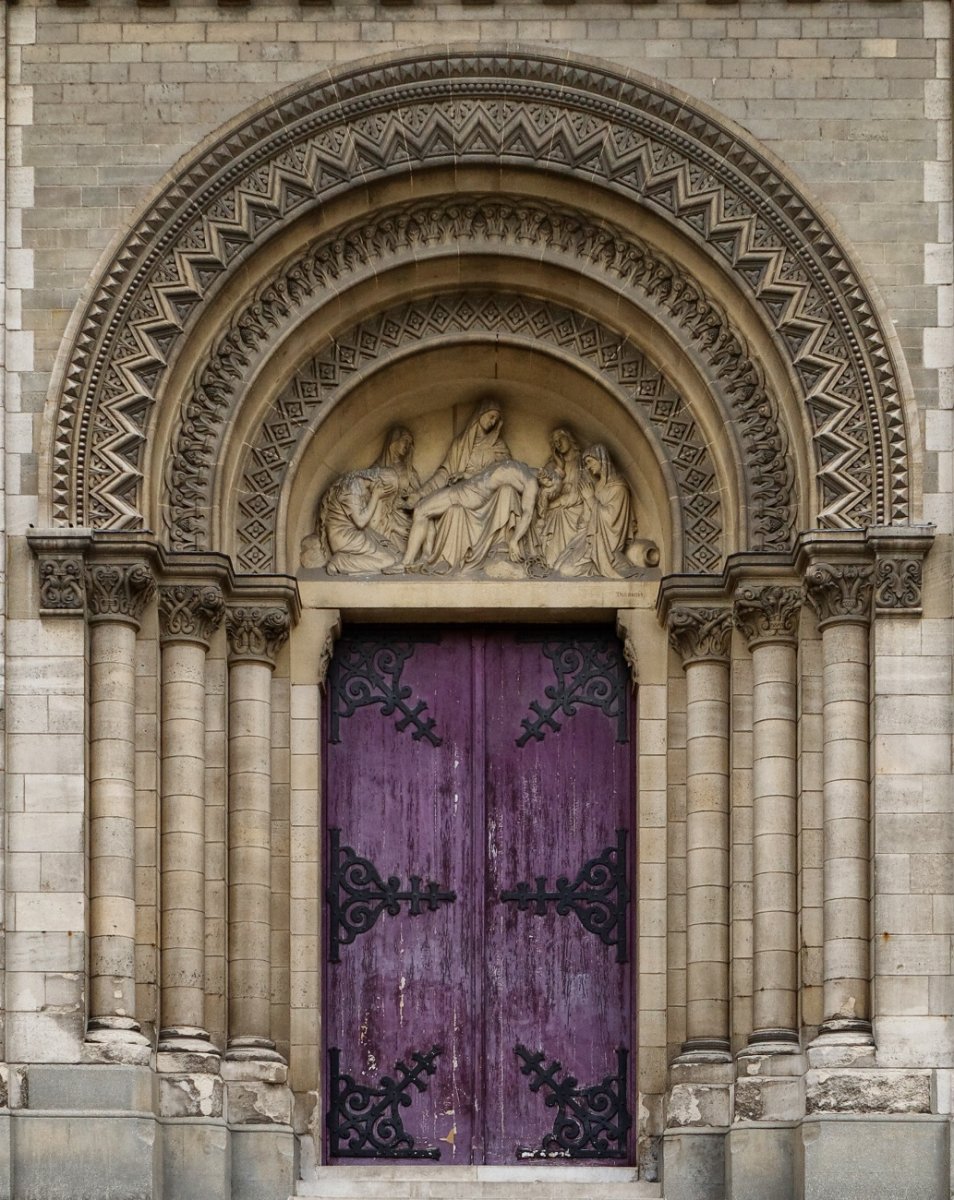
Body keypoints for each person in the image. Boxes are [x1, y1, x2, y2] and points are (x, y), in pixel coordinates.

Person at [403, 398, 519, 570]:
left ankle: (407, 562)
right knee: (424, 508)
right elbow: (443, 474)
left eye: (496, 419)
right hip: (461, 496)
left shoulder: (498, 446)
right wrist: (419, 493)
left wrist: (468, 474)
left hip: (486, 500)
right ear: (480, 414)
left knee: (423, 510)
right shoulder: (460, 445)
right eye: (491, 416)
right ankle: (423, 558)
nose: (493, 422)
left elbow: (507, 471)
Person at [553, 444, 637, 578]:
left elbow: (611, 520)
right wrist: (586, 506)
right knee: (556, 566)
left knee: (566, 571)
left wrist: (591, 498)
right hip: (589, 537)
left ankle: (605, 565)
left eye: (590, 461)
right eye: (585, 463)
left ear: (601, 459)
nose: (588, 466)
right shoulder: (597, 486)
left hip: (605, 543)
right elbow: (588, 520)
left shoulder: (619, 488)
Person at [535, 426, 588, 567]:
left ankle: (566, 562)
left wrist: (561, 500)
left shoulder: (582, 463)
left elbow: (584, 490)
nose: (558, 444)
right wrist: (559, 468)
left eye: (560, 439)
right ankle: (552, 565)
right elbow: (544, 493)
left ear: (569, 438)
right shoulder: (551, 465)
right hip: (555, 512)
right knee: (554, 516)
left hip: (575, 509)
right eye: (555, 442)